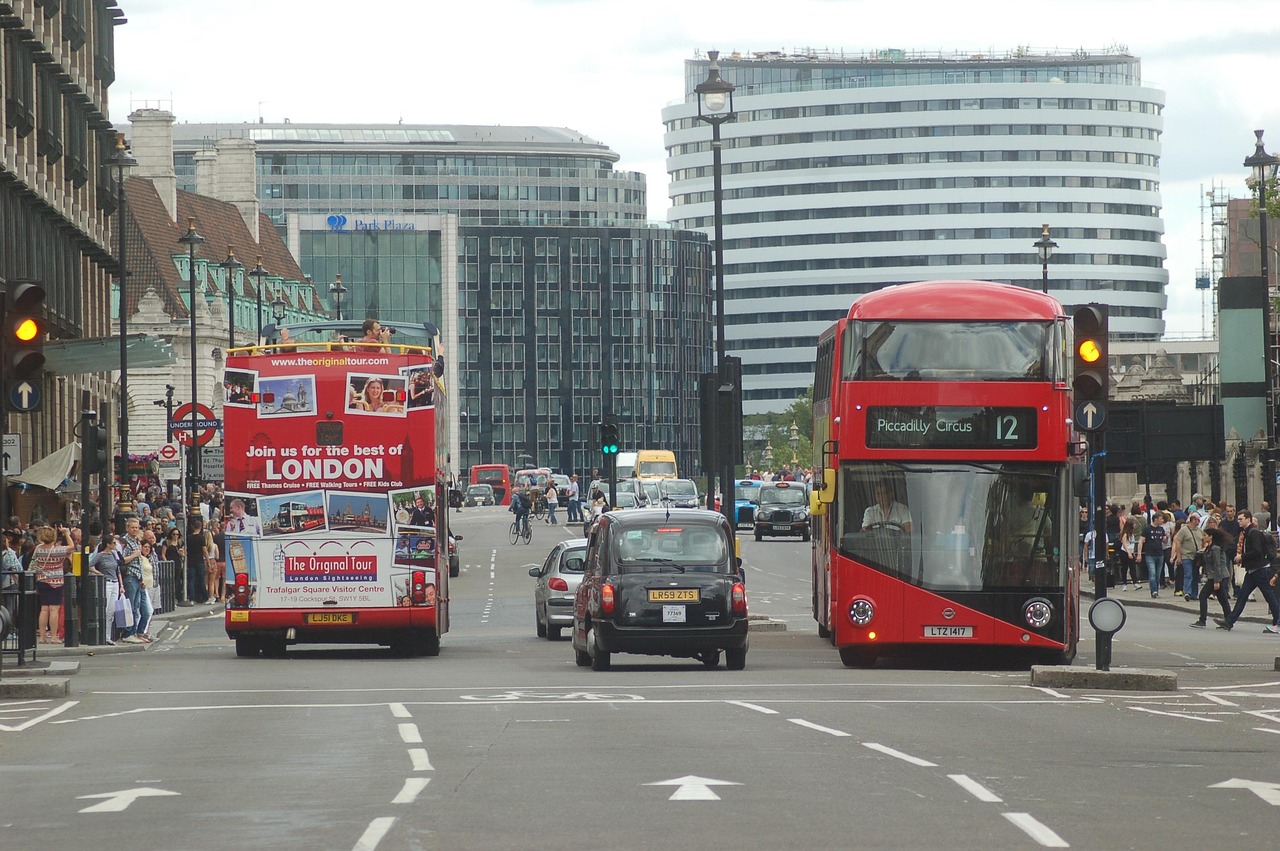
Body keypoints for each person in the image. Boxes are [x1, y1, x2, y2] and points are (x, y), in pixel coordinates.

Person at [1216, 509, 1280, 630]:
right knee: (1243, 596)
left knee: (1269, 596)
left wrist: (1242, 557)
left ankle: (1278, 621)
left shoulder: (1253, 533)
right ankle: (1229, 622)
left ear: (1248, 520)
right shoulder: (1247, 532)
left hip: (1259, 569)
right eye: (1238, 519)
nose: (1239, 521)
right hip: (1253, 570)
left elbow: (1257, 551)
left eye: (1241, 519)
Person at [31, 525, 72, 644]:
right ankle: (54, 637)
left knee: (44, 609)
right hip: (56, 582)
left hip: (42, 580)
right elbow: (71, 547)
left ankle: (42, 637)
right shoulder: (57, 550)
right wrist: (66, 533)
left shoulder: (38, 549)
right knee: (54, 609)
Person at [1191, 526, 1234, 628]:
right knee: (1222, 598)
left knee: (1203, 596)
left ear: (1211, 537)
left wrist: (1217, 581)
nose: (1203, 537)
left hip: (1217, 576)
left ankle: (1202, 620)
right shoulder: (1209, 547)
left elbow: (1217, 564)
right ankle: (1229, 621)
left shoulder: (1215, 548)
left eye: (1205, 535)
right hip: (1215, 575)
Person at [118, 517, 146, 643]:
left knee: (136, 607)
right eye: (132, 527)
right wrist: (134, 555)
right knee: (130, 607)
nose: (135, 529)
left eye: (137, 527)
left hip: (137, 577)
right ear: (127, 528)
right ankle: (127, 633)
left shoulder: (136, 541)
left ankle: (133, 632)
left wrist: (142, 578)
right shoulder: (125, 542)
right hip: (129, 576)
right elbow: (122, 560)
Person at [89, 535, 121, 645]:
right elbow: (90, 565)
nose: (115, 545)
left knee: (111, 612)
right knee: (106, 608)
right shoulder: (100, 555)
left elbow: (118, 569)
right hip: (107, 583)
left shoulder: (113, 554)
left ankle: (108, 636)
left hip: (115, 583)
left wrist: (121, 585)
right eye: (114, 543)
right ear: (108, 544)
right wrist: (99, 573)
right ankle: (103, 635)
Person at [1135, 510, 1169, 598]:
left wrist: (1166, 538)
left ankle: (1156, 591)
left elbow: (1164, 542)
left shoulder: (1161, 529)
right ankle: (1153, 591)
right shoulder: (1147, 529)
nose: (1162, 521)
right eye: (1161, 519)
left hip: (1160, 554)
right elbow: (1141, 541)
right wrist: (1139, 554)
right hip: (1150, 554)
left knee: (1158, 574)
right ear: (1156, 519)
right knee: (1152, 573)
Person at [1173, 512, 1201, 601]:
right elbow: (1177, 541)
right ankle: (1187, 592)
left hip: (1196, 557)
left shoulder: (1199, 530)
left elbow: (1204, 540)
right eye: (1198, 520)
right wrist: (1178, 556)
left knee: (1196, 575)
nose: (1199, 522)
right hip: (1186, 556)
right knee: (1188, 574)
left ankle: (1194, 594)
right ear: (1193, 520)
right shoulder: (1184, 530)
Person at [186, 517, 208, 604]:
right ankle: (205, 597)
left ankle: (192, 598)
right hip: (199, 561)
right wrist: (208, 561)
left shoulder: (189, 537)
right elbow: (204, 550)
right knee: (202, 579)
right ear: (201, 527)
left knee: (191, 580)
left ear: (192, 527)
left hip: (191, 561)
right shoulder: (202, 538)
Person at [208, 519, 226, 604]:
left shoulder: (215, 538)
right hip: (226, 562)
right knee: (224, 580)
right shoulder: (228, 537)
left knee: (216, 579)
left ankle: (217, 594)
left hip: (217, 561)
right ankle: (223, 596)